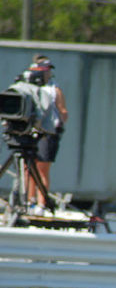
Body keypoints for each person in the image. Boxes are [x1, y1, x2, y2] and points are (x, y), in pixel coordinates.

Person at [18, 55, 68, 214]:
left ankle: (41, 203)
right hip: (30, 131)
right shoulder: (27, 87)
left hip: (48, 132)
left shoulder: (54, 89)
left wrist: (53, 125)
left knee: (41, 168)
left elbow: (63, 112)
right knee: (27, 167)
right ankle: (28, 201)